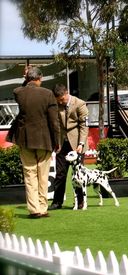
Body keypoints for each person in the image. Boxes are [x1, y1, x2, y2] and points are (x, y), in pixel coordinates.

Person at [11, 66, 60, 218]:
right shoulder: (48, 94)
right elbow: (54, 122)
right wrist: (57, 141)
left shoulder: (18, 92)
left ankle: (34, 209)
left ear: (27, 78)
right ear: (41, 78)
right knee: (42, 175)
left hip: (25, 140)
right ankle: (43, 208)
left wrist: (26, 78)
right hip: (44, 140)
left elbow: (22, 89)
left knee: (29, 174)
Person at [49, 84, 89, 210]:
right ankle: (57, 202)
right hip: (62, 143)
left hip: (77, 144)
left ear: (66, 93)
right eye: (58, 100)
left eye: (62, 99)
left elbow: (84, 125)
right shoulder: (56, 105)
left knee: (78, 174)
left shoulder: (80, 104)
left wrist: (81, 144)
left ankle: (80, 202)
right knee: (60, 173)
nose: (60, 102)